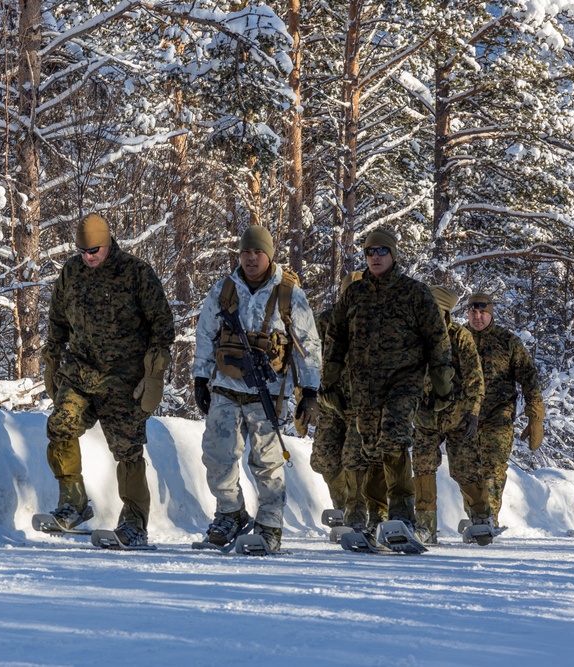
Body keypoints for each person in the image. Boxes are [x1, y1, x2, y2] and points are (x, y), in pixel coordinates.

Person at [41, 213, 175, 547]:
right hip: (81, 371)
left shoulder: (136, 273)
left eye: (95, 250)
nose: (89, 256)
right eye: (83, 251)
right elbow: (57, 319)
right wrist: (52, 358)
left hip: (125, 377)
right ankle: (73, 502)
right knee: (60, 426)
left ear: (108, 242)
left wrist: (155, 372)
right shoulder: (71, 273)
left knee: (127, 448)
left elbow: (162, 324)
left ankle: (134, 522)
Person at [192, 225, 322, 553]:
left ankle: (269, 524)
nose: (251, 258)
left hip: (270, 391)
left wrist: (310, 390)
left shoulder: (289, 293)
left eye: (258, 252)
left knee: (268, 462)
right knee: (217, 456)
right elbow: (206, 335)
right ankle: (230, 514)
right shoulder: (224, 290)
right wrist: (200, 378)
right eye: (246, 252)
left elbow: (309, 345)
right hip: (225, 388)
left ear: (269, 255)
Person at [321, 228, 453, 535]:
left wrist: (441, 382)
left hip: (404, 380)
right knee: (371, 446)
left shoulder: (415, 293)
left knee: (393, 436)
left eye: (382, 251)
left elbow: (437, 338)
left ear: (393, 255)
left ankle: (402, 513)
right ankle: (377, 516)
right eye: (370, 252)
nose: (375, 257)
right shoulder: (354, 294)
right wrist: (329, 378)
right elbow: (336, 336)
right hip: (364, 385)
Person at [308, 272, 387, 530]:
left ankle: (358, 511)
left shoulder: (378, 321)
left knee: (356, 458)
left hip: (362, 406)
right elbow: (308, 360)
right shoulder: (325, 321)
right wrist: (304, 397)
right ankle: (343, 504)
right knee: (324, 458)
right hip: (330, 402)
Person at [411, 286, 487, 544]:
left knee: (465, 469)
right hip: (424, 417)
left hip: (458, 417)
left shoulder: (461, 337)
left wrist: (473, 413)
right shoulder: (415, 336)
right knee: (422, 467)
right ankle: (425, 526)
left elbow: (476, 379)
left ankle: (481, 517)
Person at [466, 292, 545, 528]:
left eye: (482, 312)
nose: (477, 317)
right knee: (468, 470)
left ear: (490, 314)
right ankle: (475, 517)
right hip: (465, 416)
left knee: (492, 468)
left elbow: (529, 379)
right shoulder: (457, 338)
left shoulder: (507, 341)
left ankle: (488, 518)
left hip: (497, 417)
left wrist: (536, 417)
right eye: (473, 312)